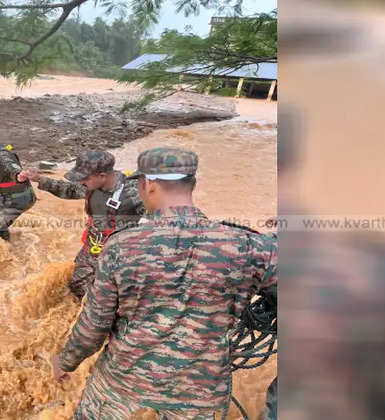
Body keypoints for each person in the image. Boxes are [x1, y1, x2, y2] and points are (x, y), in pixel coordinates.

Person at [51, 147, 278, 419]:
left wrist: (65, 362)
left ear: (149, 185)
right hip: (198, 399)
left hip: (122, 391)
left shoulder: (121, 246)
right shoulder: (249, 246)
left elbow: (93, 327)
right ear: (191, 184)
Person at [22, 150, 143, 299]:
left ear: (102, 176)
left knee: (109, 296)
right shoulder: (90, 186)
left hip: (119, 254)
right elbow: (69, 189)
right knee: (77, 285)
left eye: (84, 178)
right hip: (93, 246)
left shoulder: (134, 192)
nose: (80, 182)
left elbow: (162, 218)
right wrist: (39, 179)